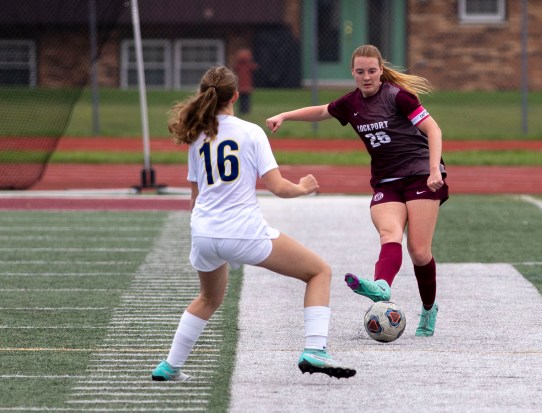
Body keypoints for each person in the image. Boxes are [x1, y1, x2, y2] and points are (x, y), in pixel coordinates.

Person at [151, 66, 356, 381]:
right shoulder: (250, 132)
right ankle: (315, 350)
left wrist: (202, 233)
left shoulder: (196, 137)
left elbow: (195, 197)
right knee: (319, 272)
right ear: (235, 95)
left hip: (203, 232)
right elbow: (278, 187)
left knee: (209, 299)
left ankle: (169, 366)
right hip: (243, 232)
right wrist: (303, 186)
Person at [266, 45, 448, 337]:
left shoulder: (398, 96)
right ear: (352, 72)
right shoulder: (350, 103)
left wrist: (434, 169)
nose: (366, 77)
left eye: (372, 71)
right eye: (360, 72)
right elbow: (321, 111)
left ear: (380, 70)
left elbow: (433, 130)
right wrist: (284, 115)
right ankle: (382, 286)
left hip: (419, 176)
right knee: (389, 234)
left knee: (419, 250)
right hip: (386, 180)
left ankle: (429, 308)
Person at [233, 48, 258, 114]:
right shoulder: (248, 65)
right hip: (246, 85)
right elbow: (254, 67)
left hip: (242, 85)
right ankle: (245, 110)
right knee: (246, 99)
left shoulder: (239, 65)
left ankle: (243, 110)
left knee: (243, 98)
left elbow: (235, 68)